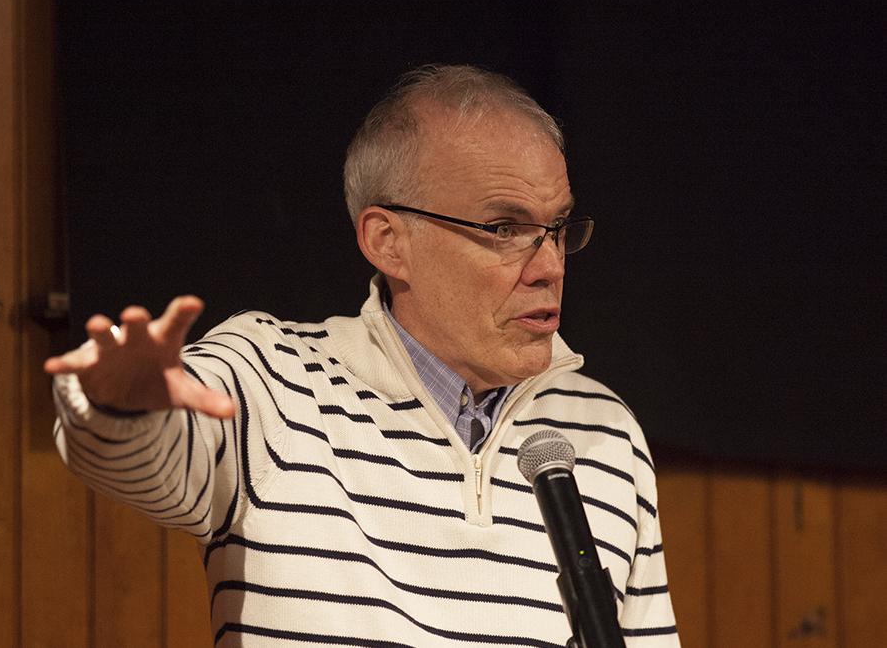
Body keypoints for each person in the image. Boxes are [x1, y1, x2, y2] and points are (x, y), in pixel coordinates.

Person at [47, 64, 680, 647]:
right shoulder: (271, 378)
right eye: (504, 229)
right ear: (388, 241)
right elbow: (144, 464)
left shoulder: (603, 431)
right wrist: (118, 406)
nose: (549, 266)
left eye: (559, 230)